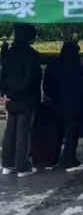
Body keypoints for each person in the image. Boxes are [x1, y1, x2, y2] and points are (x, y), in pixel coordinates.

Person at [1, 24, 42, 178]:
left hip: (11, 98)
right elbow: (33, 77)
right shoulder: (32, 55)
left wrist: (5, 92)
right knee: (23, 133)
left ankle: (7, 164)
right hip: (26, 98)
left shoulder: (8, 53)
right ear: (29, 37)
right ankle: (22, 167)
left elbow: (2, 75)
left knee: (10, 131)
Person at [43, 42, 83, 172]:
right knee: (70, 134)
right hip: (72, 105)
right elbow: (82, 87)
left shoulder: (53, 64)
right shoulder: (76, 66)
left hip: (55, 104)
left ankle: (51, 160)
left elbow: (46, 85)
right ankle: (69, 161)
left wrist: (52, 97)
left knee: (55, 133)